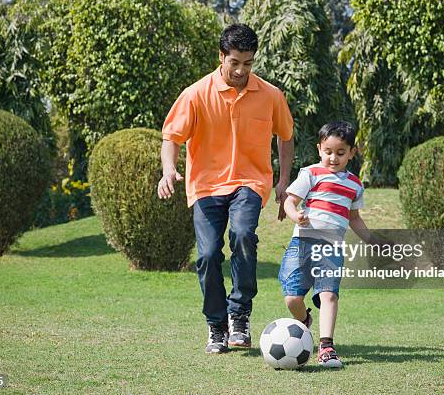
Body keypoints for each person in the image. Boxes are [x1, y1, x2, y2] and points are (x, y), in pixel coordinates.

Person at [157, 24, 294, 354]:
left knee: (244, 236)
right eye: (234, 62)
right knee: (206, 255)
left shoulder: (271, 95)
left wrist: (283, 181)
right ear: (221, 57)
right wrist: (168, 170)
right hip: (206, 185)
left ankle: (240, 314)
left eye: (248, 63)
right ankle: (216, 324)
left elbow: (286, 136)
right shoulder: (196, 94)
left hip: (250, 181)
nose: (241, 70)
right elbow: (171, 137)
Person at [279, 122, 375, 368]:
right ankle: (305, 319)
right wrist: (295, 215)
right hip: (302, 243)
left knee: (329, 294)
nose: (333, 158)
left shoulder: (354, 184)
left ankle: (326, 347)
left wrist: (372, 240)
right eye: (328, 152)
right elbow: (290, 202)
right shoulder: (310, 173)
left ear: (352, 152)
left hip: (331, 248)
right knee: (292, 298)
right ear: (319, 148)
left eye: (341, 153)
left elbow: (354, 219)